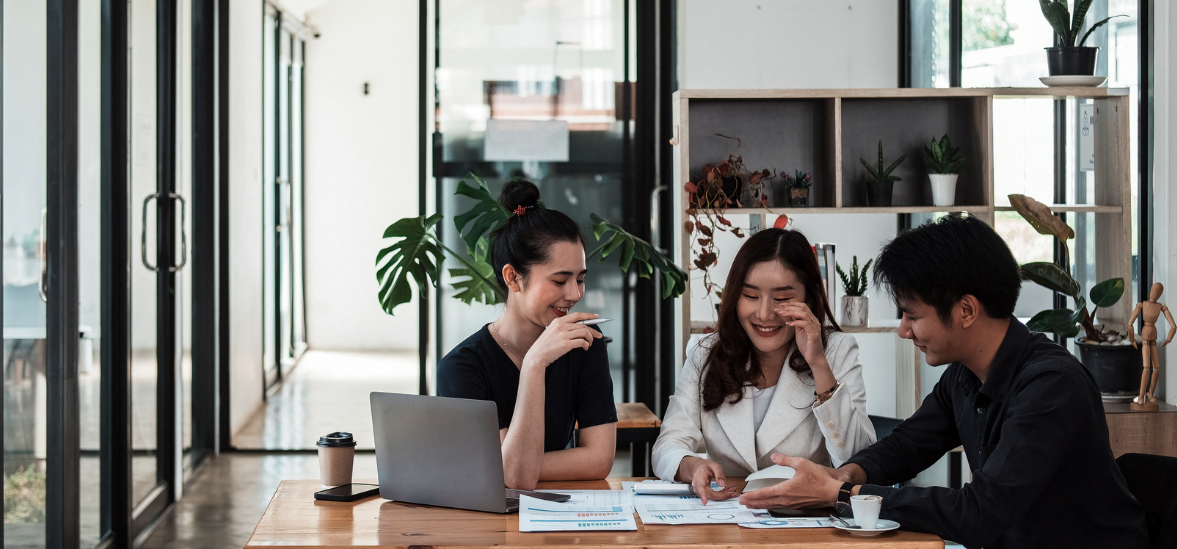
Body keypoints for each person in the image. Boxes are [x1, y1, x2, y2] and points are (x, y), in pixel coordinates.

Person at [738, 215, 1149, 549]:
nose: (903, 331)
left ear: (966, 310)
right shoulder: (965, 375)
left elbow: (980, 514)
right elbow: (905, 446)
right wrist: (846, 475)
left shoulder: (1052, 386)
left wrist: (840, 497)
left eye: (912, 316)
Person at [652, 227, 876, 503]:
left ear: (810, 297)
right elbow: (668, 445)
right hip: (728, 519)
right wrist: (692, 465)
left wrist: (818, 364)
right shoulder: (706, 352)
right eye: (751, 295)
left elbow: (858, 458)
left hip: (807, 520)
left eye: (782, 299)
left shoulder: (836, 351)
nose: (764, 313)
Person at [436, 180, 617, 491]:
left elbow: (599, 460)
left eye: (580, 279)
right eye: (560, 281)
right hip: (479, 524)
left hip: (557, 516)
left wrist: (514, 465)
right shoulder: (462, 368)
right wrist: (535, 363)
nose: (574, 294)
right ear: (513, 278)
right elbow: (514, 477)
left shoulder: (584, 341)